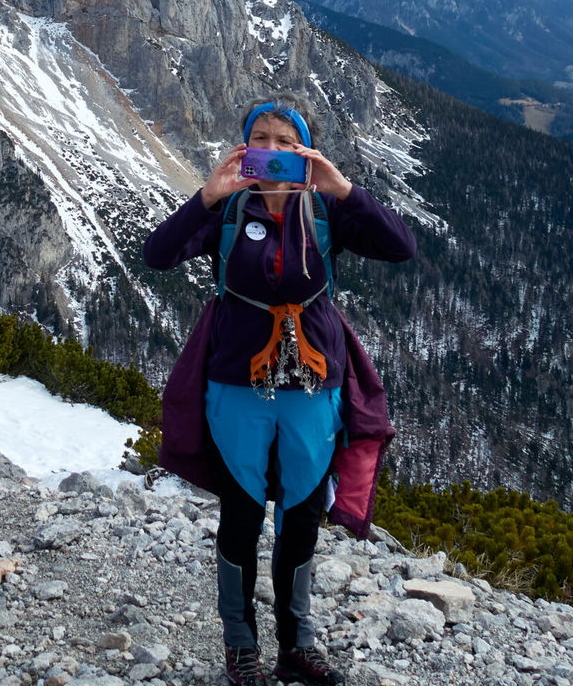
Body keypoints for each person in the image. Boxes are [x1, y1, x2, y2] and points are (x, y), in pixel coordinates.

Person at [144, 99, 415, 686]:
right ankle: (241, 646)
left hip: (314, 385)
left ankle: (297, 643)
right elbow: (157, 255)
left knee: (301, 515)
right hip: (235, 382)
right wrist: (207, 197)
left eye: (285, 141)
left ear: (302, 150)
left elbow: (402, 246)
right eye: (259, 139)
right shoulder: (228, 211)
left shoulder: (323, 209)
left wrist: (344, 190)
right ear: (245, 149)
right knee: (241, 512)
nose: (271, 149)